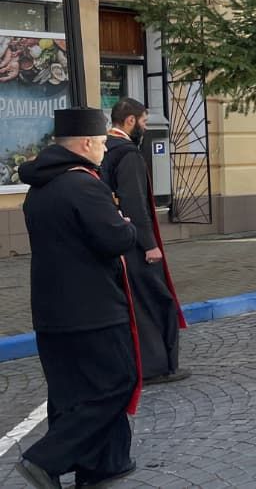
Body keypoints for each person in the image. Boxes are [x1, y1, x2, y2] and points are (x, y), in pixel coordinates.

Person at [15, 108, 141, 489]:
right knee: (117, 384)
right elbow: (115, 239)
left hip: (52, 311)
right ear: (86, 143)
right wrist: (128, 226)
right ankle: (43, 459)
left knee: (70, 395)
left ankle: (102, 464)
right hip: (94, 309)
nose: (105, 150)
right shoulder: (83, 185)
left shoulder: (40, 187)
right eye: (102, 143)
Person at [101, 97, 188, 385]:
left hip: (116, 240)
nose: (145, 127)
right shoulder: (127, 154)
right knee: (153, 301)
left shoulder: (104, 150)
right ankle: (155, 365)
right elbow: (135, 201)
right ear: (130, 121)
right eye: (144, 122)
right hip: (134, 244)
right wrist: (150, 244)